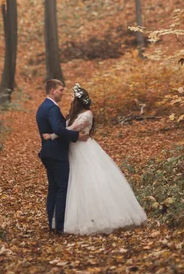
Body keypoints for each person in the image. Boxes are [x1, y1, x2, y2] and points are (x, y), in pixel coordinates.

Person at [42, 83, 147, 235]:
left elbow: (71, 130)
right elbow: (67, 128)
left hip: (84, 150)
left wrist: (52, 135)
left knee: (90, 180)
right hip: (73, 150)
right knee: (74, 183)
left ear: (78, 100)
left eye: (73, 96)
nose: (70, 98)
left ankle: (97, 218)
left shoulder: (87, 114)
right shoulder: (74, 114)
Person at [36, 79, 89, 234]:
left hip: (48, 152)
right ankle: (59, 225)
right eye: (60, 90)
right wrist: (77, 136)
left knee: (53, 188)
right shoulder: (51, 108)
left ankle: (52, 223)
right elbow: (59, 129)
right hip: (57, 154)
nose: (62, 93)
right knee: (61, 188)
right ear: (52, 90)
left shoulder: (42, 107)